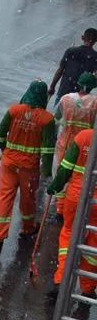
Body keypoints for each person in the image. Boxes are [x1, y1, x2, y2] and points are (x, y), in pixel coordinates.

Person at [0, 81, 56, 252]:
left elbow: (0, 134)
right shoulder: (47, 120)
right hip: (28, 168)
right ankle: (28, 228)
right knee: (28, 199)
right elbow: (48, 150)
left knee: (5, 197)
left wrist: (5, 148)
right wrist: (47, 173)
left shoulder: (14, 111)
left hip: (9, 163)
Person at [47, 127, 97, 301]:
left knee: (69, 234)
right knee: (94, 244)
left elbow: (65, 168)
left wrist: (55, 186)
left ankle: (61, 280)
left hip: (77, 196)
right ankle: (88, 289)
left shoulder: (84, 137)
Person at [52, 73, 97, 219]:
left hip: (66, 141)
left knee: (62, 171)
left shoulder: (66, 99)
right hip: (85, 144)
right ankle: (74, 207)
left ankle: (60, 209)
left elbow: (57, 119)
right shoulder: (95, 102)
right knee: (79, 174)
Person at [49, 28, 97, 101]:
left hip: (64, 93)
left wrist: (52, 87)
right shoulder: (95, 56)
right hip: (81, 98)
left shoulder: (71, 51)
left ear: (82, 37)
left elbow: (59, 71)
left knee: (58, 112)